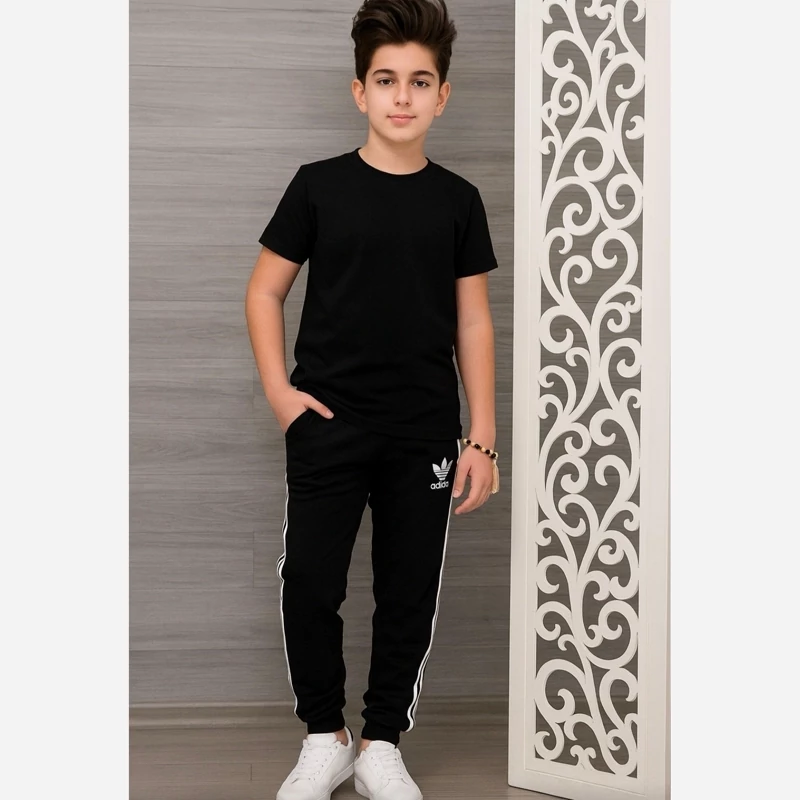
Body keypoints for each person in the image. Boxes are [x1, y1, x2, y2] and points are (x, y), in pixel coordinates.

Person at [245, 1, 499, 798]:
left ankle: (382, 742)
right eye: (386, 80)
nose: (402, 96)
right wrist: (282, 394)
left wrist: (482, 438)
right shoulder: (318, 187)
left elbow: (473, 321)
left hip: (424, 432)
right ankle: (324, 737)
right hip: (327, 425)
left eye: (419, 82)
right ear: (360, 91)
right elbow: (263, 292)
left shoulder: (458, 200)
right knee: (310, 583)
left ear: (442, 96)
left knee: (408, 590)